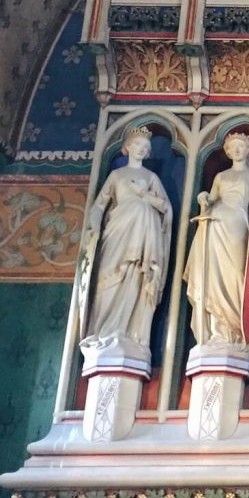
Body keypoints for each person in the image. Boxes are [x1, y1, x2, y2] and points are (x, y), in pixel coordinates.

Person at [79, 125, 172, 358]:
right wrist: (95, 228)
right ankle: (103, 331)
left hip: (144, 235)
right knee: (108, 277)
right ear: (127, 147)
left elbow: (166, 208)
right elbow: (100, 205)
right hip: (117, 231)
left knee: (137, 276)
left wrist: (144, 197)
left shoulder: (151, 178)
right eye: (138, 145)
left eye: (146, 147)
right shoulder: (116, 176)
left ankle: (131, 333)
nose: (142, 149)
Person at [183, 131, 249, 347]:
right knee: (210, 274)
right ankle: (215, 331)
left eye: (241, 146)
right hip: (213, 223)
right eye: (232, 147)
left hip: (237, 224)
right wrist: (204, 198)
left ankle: (239, 330)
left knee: (238, 273)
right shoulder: (221, 176)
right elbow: (211, 198)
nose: (236, 150)